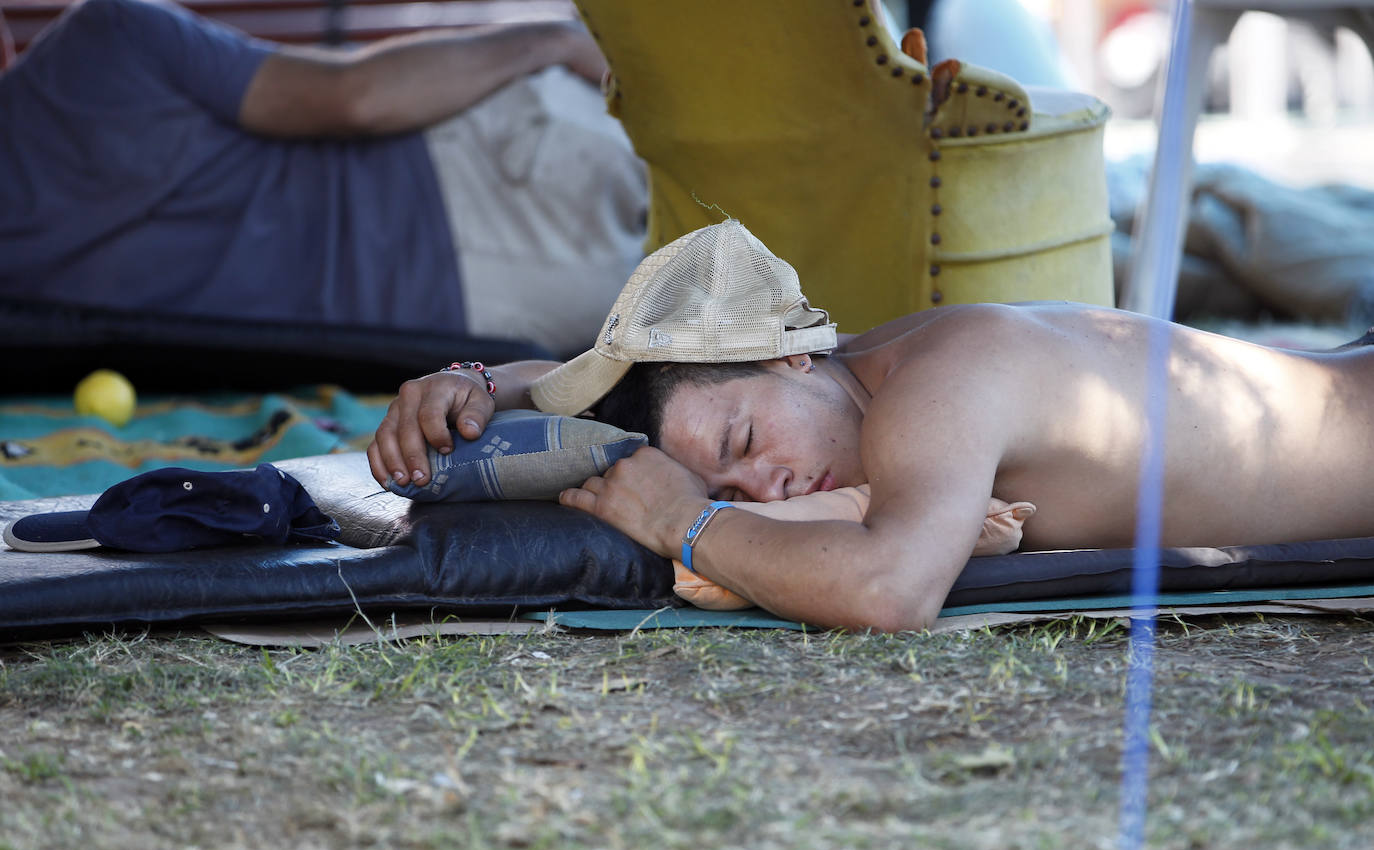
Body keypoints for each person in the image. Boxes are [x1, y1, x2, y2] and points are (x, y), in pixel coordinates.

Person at [368, 220, 1374, 632]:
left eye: (747, 447)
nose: (765, 490)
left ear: (793, 353)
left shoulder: (936, 393)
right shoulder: (841, 368)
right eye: (733, 489)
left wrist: (690, 519)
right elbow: (631, 385)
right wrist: (477, 383)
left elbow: (892, 589)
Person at [0, 0, 646, 356]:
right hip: (495, 173)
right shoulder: (104, 40)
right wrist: (552, 39)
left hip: (490, 312)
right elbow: (355, 99)